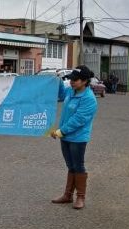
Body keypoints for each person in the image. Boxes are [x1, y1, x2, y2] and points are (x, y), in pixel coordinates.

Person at [50, 65, 98, 210]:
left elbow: (78, 120)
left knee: (78, 166)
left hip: (77, 138)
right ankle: (68, 195)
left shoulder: (89, 99)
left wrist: (60, 132)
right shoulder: (71, 92)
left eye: (75, 80)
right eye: (70, 79)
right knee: (70, 166)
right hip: (65, 137)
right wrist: (58, 80)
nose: (71, 82)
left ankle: (80, 197)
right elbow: (60, 93)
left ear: (84, 81)